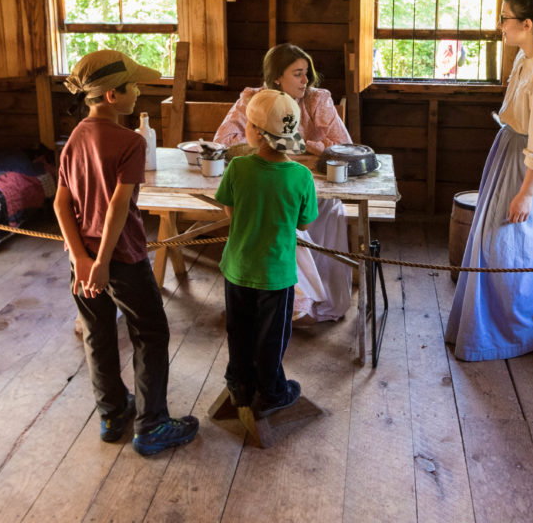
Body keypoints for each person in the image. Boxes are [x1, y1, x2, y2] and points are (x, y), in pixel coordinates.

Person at [55, 49, 200, 456]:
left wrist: (81, 260)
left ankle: (113, 413)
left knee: (98, 334)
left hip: (81, 259)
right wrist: (101, 262)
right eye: (133, 85)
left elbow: (60, 205)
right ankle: (152, 425)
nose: (139, 90)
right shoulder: (130, 142)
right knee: (151, 333)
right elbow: (119, 207)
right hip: (122, 259)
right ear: (112, 97)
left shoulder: (75, 139)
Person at [444, 0, 533, 362]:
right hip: (509, 152)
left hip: (531, 167)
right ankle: (483, 328)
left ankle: (512, 333)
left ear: (527, 23)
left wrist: (527, 193)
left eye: (505, 18)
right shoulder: (529, 53)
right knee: (492, 244)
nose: (500, 26)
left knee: (508, 247)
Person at [214, 43, 352, 324]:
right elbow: (224, 139)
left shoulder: (317, 99)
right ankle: (287, 299)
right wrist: (269, 148)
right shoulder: (255, 99)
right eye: (298, 74)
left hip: (310, 186)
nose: (306, 81)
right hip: (267, 179)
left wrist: (306, 146)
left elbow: (344, 145)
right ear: (277, 77)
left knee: (314, 215)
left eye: (307, 73)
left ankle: (311, 298)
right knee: (274, 217)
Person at [214, 89, 319, 414]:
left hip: (238, 268)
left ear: (257, 133)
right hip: (276, 273)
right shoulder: (301, 176)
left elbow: (230, 213)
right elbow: (304, 224)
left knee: (239, 330)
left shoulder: (238, 168)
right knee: (271, 337)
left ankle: (240, 385)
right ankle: (271, 392)